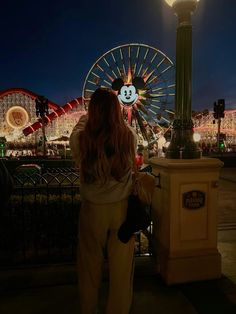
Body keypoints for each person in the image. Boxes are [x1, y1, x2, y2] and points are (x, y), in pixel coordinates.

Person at [70, 88, 137, 314]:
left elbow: (77, 135)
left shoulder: (81, 138)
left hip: (92, 209)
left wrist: (87, 118)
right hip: (121, 208)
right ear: (117, 109)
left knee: (89, 267)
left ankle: (88, 309)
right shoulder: (129, 136)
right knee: (121, 269)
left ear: (92, 110)